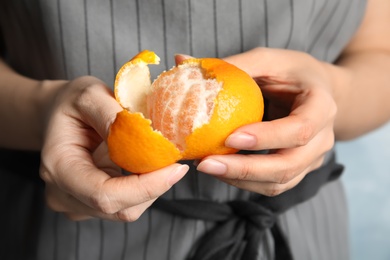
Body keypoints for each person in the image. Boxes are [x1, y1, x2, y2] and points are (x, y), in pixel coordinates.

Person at [1, 0, 390, 259]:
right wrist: (42, 109)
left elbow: (379, 53)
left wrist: (331, 89)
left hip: (298, 226)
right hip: (68, 228)